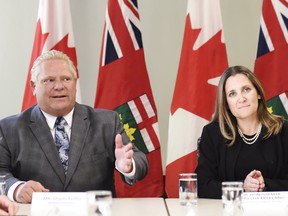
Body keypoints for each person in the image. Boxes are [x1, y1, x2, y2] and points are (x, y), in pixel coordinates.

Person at [0, 50, 148, 203]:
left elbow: (140, 160)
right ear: (33, 86)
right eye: (49, 80)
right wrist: (16, 188)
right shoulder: (9, 128)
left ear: (75, 83)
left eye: (66, 79)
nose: (59, 86)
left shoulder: (107, 122)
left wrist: (127, 166)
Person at [195, 65, 288, 199]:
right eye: (232, 94)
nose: (241, 99)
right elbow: (202, 185)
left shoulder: (283, 131)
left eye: (246, 90)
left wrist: (264, 185)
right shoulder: (213, 133)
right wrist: (243, 187)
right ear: (226, 103)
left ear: (259, 94)